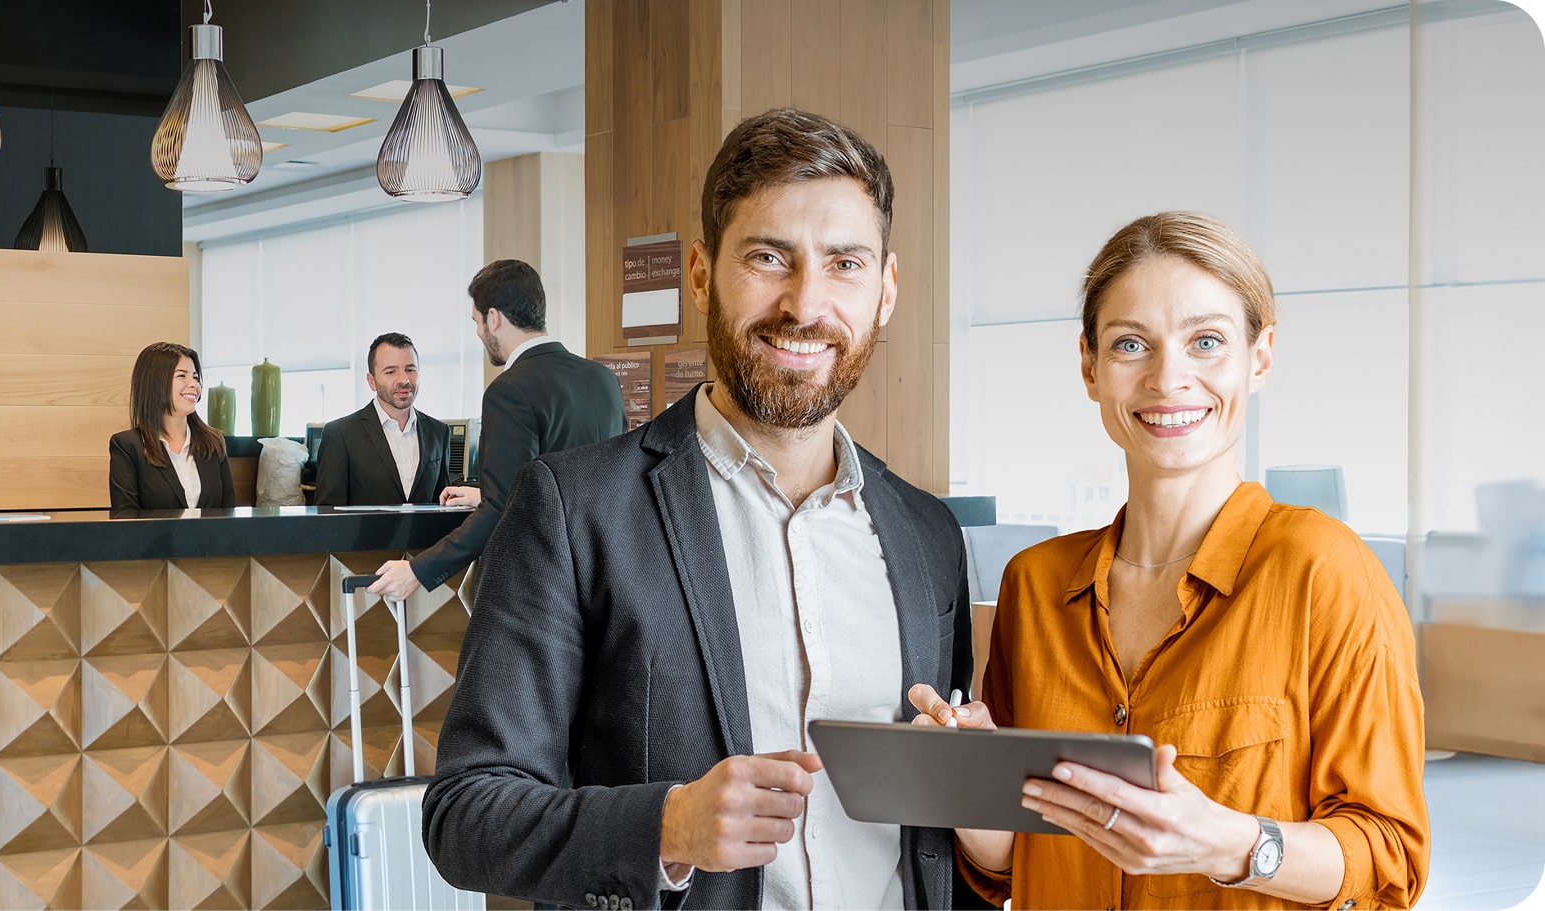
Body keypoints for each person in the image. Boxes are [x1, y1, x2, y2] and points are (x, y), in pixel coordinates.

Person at [423, 107, 973, 910]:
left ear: (886, 290)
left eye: (844, 263)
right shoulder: (575, 510)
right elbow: (466, 813)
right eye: (768, 257)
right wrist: (667, 826)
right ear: (701, 273)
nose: (805, 302)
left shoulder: (930, 536)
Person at [905, 212, 1427, 909]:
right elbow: (1006, 868)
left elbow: (1389, 853)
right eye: (1130, 344)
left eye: (1206, 341)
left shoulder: (1325, 573)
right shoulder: (1032, 586)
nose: (1168, 377)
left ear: (1260, 356)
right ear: (1090, 366)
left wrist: (1232, 844)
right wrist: (970, 780)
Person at [365, 259, 622, 601]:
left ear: (495, 318)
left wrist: (418, 570)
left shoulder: (508, 390)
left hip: (541, 585)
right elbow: (593, 480)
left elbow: (501, 510)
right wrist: (483, 493)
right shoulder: (602, 379)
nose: (477, 332)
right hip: (604, 577)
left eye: (477, 321)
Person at [314, 333, 456, 507]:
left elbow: (442, 507)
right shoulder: (340, 434)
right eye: (390, 371)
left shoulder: (439, 432)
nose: (404, 380)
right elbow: (328, 514)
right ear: (372, 381)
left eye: (410, 369)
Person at [107, 341, 235, 510]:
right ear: (154, 383)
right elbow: (126, 518)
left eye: (195, 377)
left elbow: (229, 513)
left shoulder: (213, 443)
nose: (193, 385)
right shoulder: (127, 446)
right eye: (182, 376)